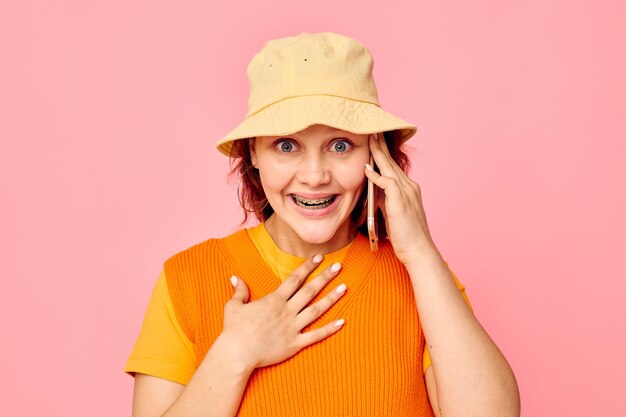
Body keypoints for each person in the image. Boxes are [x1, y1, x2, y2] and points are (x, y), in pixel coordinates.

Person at [124, 32, 520, 417]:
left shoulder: (423, 280)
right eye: (286, 145)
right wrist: (233, 355)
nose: (314, 176)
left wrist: (420, 252)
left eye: (340, 145)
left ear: (377, 153)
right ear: (253, 154)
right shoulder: (187, 278)